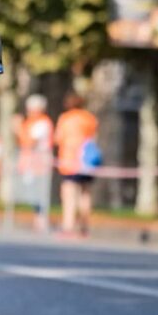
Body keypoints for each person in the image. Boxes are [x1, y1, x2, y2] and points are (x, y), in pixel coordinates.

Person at [53, 91, 99, 236]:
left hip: (70, 160)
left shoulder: (66, 118)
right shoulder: (89, 118)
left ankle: (68, 226)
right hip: (86, 160)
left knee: (69, 193)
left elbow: (58, 138)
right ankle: (84, 226)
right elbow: (93, 137)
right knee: (85, 193)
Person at [16, 94, 54, 231]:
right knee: (33, 192)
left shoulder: (42, 123)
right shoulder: (31, 122)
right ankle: (37, 220)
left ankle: (41, 221)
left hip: (39, 162)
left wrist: (18, 128)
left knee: (40, 192)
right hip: (31, 162)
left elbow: (29, 142)